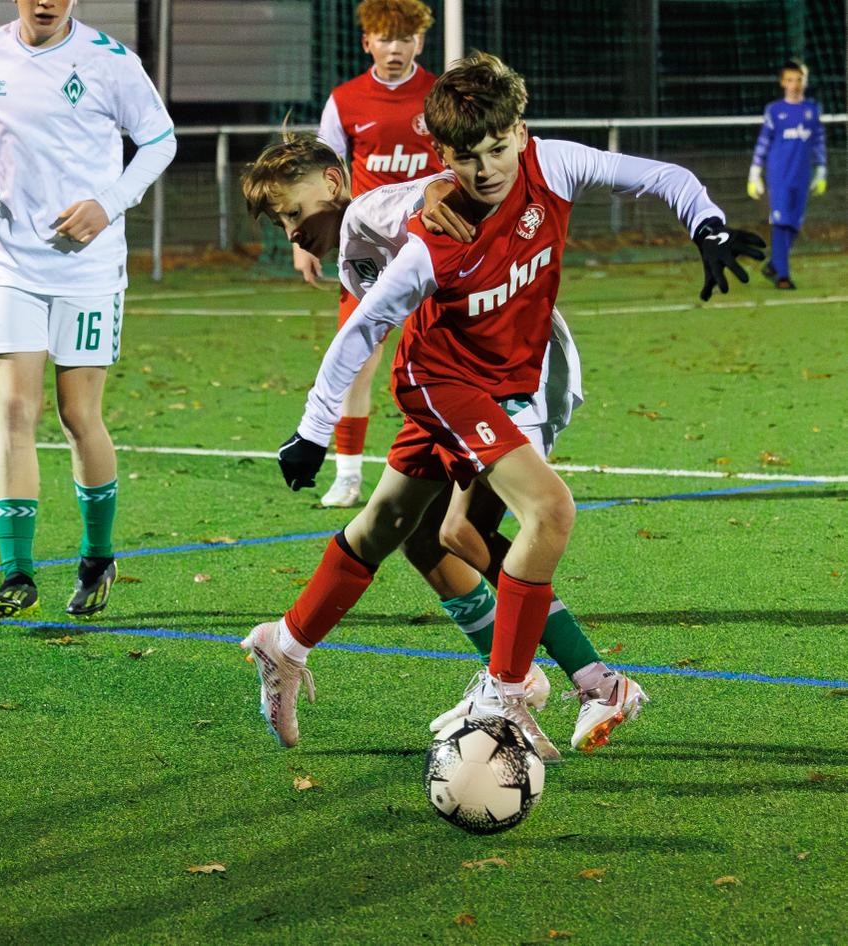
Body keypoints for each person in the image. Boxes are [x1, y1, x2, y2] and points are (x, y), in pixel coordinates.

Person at [241, 53, 764, 757]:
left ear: (520, 131)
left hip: (514, 375)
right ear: (443, 155)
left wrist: (708, 225)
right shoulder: (427, 237)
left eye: (495, 149)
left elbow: (663, 176)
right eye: (465, 158)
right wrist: (313, 429)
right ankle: (514, 690)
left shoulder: (551, 166)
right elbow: (363, 324)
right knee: (545, 511)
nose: (485, 170)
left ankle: (288, 641)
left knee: (421, 528)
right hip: (446, 379)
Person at [243, 134, 649, 760]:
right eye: (280, 223)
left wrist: (439, 190)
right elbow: (381, 313)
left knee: (467, 529)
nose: (291, 231)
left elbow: (428, 193)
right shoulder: (354, 254)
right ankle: (288, 645)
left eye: (293, 212)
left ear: (332, 181)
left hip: (512, 368)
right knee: (404, 528)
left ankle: (557, 682)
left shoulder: (369, 209)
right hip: (452, 374)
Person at [0, 0, 176, 618]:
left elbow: (160, 140)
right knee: (14, 409)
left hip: (89, 268)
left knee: (78, 414)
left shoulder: (110, 61)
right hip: (11, 264)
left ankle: (97, 557)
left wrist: (109, 202)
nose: (46, 1)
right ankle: (17, 573)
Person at [296, 0, 443, 509]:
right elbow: (320, 173)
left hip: (434, 247)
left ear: (419, 42)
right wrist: (305, 239)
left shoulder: (441, 96)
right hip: (369, 254)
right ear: (367, 43)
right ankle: (348, 475)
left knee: (441, 361)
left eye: (404, 38)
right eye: (385, 38)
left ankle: (449, 467)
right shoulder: (345, 100)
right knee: (357, 359)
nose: (394, 48)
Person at [747, 58, 827, 290]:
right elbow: (764, 141)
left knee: (794, 224)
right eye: (790, 80)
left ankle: (774, 263)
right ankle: (783, 276)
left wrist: (821, 170)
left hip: (802, 174)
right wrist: (755, 172)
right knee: (781, 223)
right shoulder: (774, 110)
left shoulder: (812, 110)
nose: (795, 85)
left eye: (799, 80)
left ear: (805, 82)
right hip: (779, 174)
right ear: (783, 83)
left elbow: (818, 142)